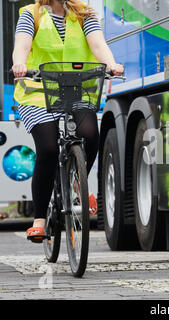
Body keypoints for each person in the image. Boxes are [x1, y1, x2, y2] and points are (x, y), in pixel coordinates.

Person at [12, 0, 124, 243]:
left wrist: (111, 63)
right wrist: (19, 63)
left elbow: (98, 44)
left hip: (76, 90)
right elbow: (22, 43)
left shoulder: (83, 14)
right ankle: (39, 220)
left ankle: (77, 182)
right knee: (49, 148)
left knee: (90, 134)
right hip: (36, 92)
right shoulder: (31, 14)